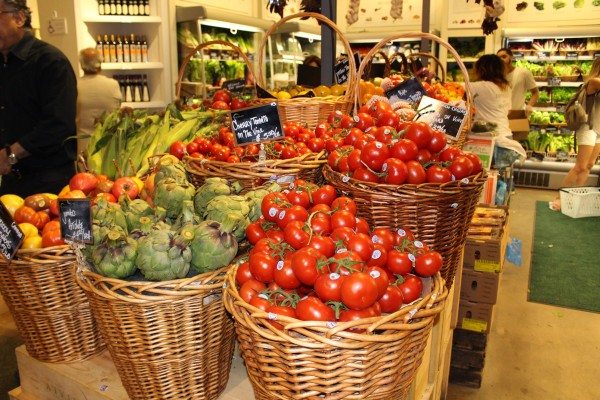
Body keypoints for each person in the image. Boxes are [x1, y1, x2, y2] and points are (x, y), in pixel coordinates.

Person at [0, 0, 77, 197]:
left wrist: (11, 154)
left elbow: (59, 124)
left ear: (18, 18)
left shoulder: (50, 61)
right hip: (10, 182)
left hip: (48, 182)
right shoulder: (3, 61)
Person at [552, 58, 600, 210]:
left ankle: (575, 199)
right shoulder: (594, 81)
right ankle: (559, 198)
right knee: (579, 166)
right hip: (588, 127)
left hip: (599, 128)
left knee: (589, 165)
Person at [471, 54, 526, 164]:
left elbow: (453, 87)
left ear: (481, 69)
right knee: (497, 176)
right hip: (506, 137)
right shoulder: (506, 88)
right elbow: (508, 110)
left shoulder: (480, 86)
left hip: (489, 140)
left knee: (485, 176)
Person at [77, 47, 121, 157]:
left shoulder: (75, 85)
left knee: (84, 173)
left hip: (83, 145)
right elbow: (117, 110)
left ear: (82, 65)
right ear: (100, 63)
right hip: (108, 144)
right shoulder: (113, 84)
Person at [497, 47, 540, 115]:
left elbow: (535, 93)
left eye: (504, 56)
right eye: (499, 58)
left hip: (517, 113)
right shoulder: (496, 76)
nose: (501, 59)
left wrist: (529, 105)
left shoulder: (524, 73)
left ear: (511, 57)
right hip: (499, 115)